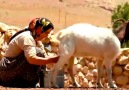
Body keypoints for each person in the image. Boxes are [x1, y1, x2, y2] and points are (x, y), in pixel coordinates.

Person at [0, 17, 59, 88]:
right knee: (37, 52)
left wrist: (56, 60)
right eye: (46, 32)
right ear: (40, 29)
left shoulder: (37, 41)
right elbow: (31, 58)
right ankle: (29, 82)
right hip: (7, 70)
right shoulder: (27, 37)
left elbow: (44, 59)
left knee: (40, 53)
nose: (47, 35)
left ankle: (28, 82)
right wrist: (52, 60)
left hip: (12, 70)